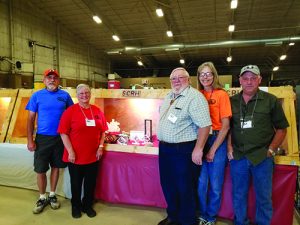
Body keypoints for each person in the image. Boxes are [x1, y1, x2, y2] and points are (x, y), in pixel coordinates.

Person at [227, 65, 289, 225]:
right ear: (240, 80)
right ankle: (241, 222)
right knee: (238, 195)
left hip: (262, 157)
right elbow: (228, 128)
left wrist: (271, 150)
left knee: (263, 197)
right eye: (245, 78)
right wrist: (229, 148)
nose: (249, 82)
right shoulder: (231, 101)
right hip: (239, 156)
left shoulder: (271, 100)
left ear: (260, 80)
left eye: (253, 78)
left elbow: (282, 129)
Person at [157, 67, 212, 225]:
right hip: (165, 149)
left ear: (188, 79)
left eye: (180, 78)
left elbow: (205, 126)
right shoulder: (169, 96)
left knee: (185, 187)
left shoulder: (195, 97)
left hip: (183, 150)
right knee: (168, 185)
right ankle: (173, 216)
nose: (176, 81)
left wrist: (199, 148)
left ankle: (187, 221)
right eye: (173, 78)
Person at [26, 69, 74, 214]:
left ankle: (52, 195)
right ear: (44, 80)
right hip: (42, 139)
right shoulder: (36, 96)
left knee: (56, 167)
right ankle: (42, 197)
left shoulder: (65, 96)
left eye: (55, 78)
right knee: (40, 170)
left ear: (58, 80)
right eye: (49, 77)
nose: (52, 80)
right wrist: (30, 140)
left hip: (60, 138)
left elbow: (72, 116)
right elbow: (30, 120)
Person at [57, 84, 108, 219]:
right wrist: (70, 151)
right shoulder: (70, 111)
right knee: (76, 183)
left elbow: (103, 131)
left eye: (86, 93)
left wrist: (100, 147)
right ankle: (76, 206)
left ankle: (87, 205)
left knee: (90, 183)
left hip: (93, 155)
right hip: (75, 156)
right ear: (77, 95)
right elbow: (63, 133)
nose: (84, 95)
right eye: (81, 94)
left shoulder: (97, 111)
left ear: (90, 94)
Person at [197, 62, 232, 225]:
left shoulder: (221, 94)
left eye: (208, 73)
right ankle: (202, 214)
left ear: (214, 75)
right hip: (200, 138)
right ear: (198, 77)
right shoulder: (197, 94)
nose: (205, 77)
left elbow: (225, 126)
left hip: (217, 139)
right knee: (201, 183)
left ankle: (210, 217)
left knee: (216, 184)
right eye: (202, 74)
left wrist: (212, 150)